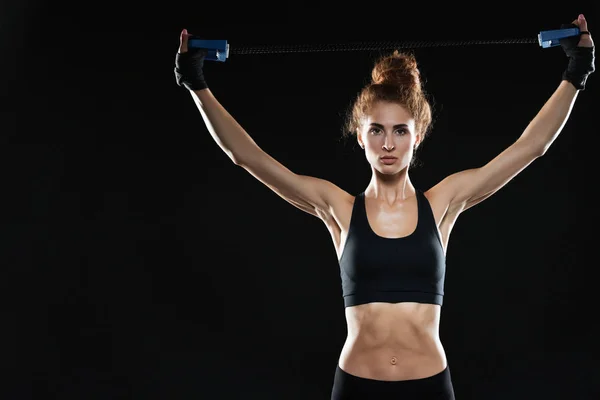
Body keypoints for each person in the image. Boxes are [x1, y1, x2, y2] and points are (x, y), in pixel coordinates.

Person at [173, 14, 594, 400]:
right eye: (376, 130)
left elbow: (530, 148)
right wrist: (198, 85)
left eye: (400, 131)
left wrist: (574, 74)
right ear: (360, 136)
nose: (388, 144)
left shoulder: (443, 202)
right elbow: (247, 157)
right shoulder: (337, 207)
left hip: (430, 384)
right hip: (355, 384)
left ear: (418, 136)